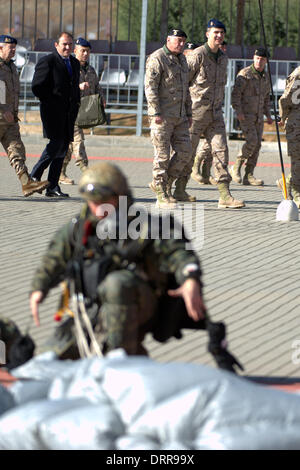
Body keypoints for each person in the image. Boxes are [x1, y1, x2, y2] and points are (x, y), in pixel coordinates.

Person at [29, 162, 243, 373]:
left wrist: (190, 280)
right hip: (92, 310)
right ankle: (134, 361)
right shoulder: (80, 228)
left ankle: (120, 361)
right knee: (48, 359)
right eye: (92, 202)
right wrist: (39, 288)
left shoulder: (147, 227)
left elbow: (180, 254)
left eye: (104, 201)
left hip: (138, 304)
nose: (97, 208)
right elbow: (54, 258)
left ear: (121, 197)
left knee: (117, 284)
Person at [186, 19, 245, 209]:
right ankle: (176, 188)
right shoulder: (198, 55)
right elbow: (183, 82)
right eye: (215, 32)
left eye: (221, 33)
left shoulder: (224, 59)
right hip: (195, 112)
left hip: (215, 113)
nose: (219, 36)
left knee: (221, 151)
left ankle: (225, 195)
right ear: (207, 34)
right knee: (185, 153)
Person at [145, 28, 195, 209]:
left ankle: (167, 184)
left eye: (183, 41)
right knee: (162, 155)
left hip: (180, 116)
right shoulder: (157, 58)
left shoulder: (182, 59)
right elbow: (150, 88)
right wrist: (156, 112)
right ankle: (160, 193)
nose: (181, 44)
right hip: (163, 117)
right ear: (168, 40)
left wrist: (188, 113)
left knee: (185, 152)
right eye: (178, 40)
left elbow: (186, 89)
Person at [30, 32, 81, 198]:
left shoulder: (74, 62)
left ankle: (52, 186)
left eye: (70, 44)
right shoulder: (48, 61)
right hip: (52, 111)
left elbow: (73, 86)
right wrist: (51, 101)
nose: (67, 47)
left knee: (63, 148)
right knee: (56, 143)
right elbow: (37, 86)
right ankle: (35, 175)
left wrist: (76, 103)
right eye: (64, 44)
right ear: (56, 45)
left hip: (68, 113)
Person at [0, 35, 48, 197]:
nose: (13, 50)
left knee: (17, 151)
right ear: (0, 47)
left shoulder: (12, 67)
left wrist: (11, 112)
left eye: (14, 47)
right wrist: (2, 110)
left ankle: (26, 183)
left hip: (10, 119)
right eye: (10, 47)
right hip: (2, 115)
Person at [59, 37, 106, 185]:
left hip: (84, 111)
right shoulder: (68, 67)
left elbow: (97, 86)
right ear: (75, 51)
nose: (85, 54)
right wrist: (77, 87)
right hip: (69, 111)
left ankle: (60, 173)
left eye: (87, 51)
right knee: (78, 142)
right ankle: (86, 172)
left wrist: (102, 98)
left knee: (68, 146)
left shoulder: (90, 69)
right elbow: (61, 87)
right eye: (82, 51)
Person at [230, 47, 272, 186]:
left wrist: (268, 115)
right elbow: (236, 94)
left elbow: (266, 98)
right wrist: (238, 111)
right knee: (252, 141)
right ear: (253, 58)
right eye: (257, 58)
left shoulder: (266, 77)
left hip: (259, 116)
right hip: (246, 115)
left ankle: (249, 174)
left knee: (257, 145)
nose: (259, 61)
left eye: (262, 59)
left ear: (266, 61)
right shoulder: (245, 74)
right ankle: (236, 166)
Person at [277, 66, 300, 205]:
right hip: (296, 122)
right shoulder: (298, 74)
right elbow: (286, 98)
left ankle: (286, 181)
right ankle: (297, 193)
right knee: (297, 158)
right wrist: (283, 116)